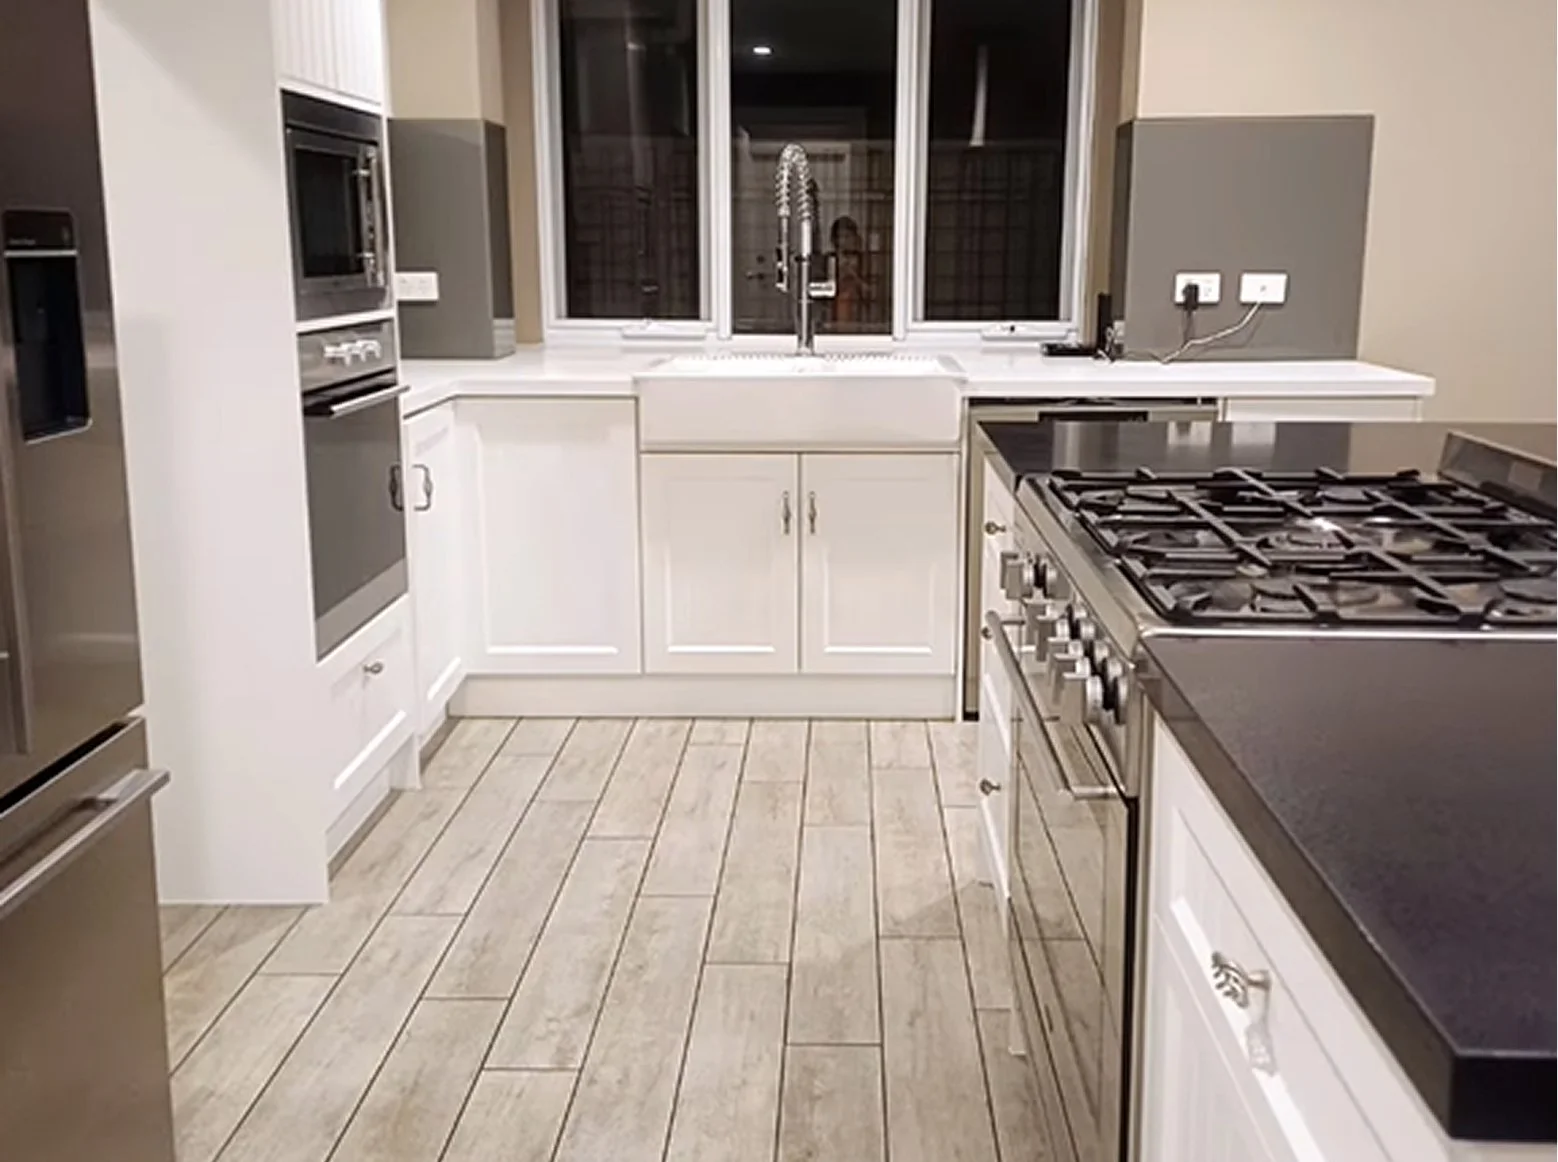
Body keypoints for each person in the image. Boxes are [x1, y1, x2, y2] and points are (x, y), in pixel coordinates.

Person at [829, 215, 873, 328]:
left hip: (859, 316)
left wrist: (853, 276)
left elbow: (872, 291)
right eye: (840, 237)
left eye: (848, 236)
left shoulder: (865, 261)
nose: (844, 241)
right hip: (833, 316)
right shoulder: (829, 260)